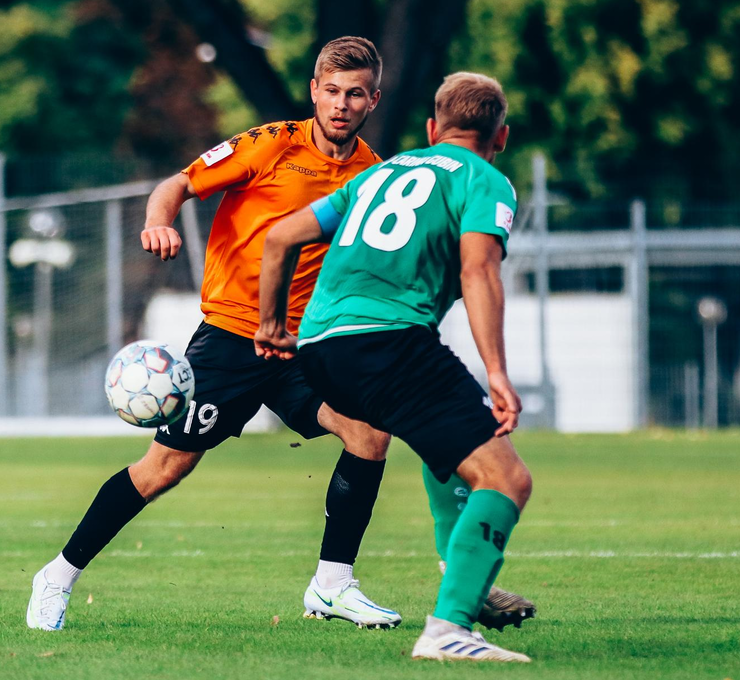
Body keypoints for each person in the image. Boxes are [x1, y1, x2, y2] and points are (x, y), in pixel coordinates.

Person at [27, 37, 402, 631]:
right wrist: (159, 223)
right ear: (314, 91)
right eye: (331, 91)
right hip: (230, 339)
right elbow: (175, 185)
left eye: (355, 94)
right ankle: (57, 575)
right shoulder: (270, 144)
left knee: (369, 432)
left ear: (372, 100)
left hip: (300, 346)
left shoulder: (375, 175)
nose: (341, 104)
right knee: (163, 470)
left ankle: (332, 584)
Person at [255, 72, 534, 662]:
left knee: (446, 447)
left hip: (319, 349)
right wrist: (498, 372)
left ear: (433, 130)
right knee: (507, 479)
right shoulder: (486, 180)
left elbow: (279, 239)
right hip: (388, 344)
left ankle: (463, 577)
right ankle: (449, 628)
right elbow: (478, 270)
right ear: (501, 137)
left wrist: (271, 327)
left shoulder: (377, 173)